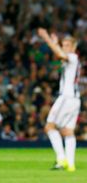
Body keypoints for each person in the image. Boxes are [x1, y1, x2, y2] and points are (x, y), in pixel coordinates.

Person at [37, 28, 81, 172]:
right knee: (68, 131)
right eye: (64, 45)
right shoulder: (74, 60)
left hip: (66, 98)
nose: (65, 48)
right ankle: (71, 163)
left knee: (49, 127)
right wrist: (56, 44)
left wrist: (47, 39)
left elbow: (60, 55)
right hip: (75, 99)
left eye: (67, 45)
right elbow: (60, 54)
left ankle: (61, 159)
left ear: (74, 47)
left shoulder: (73, 57)